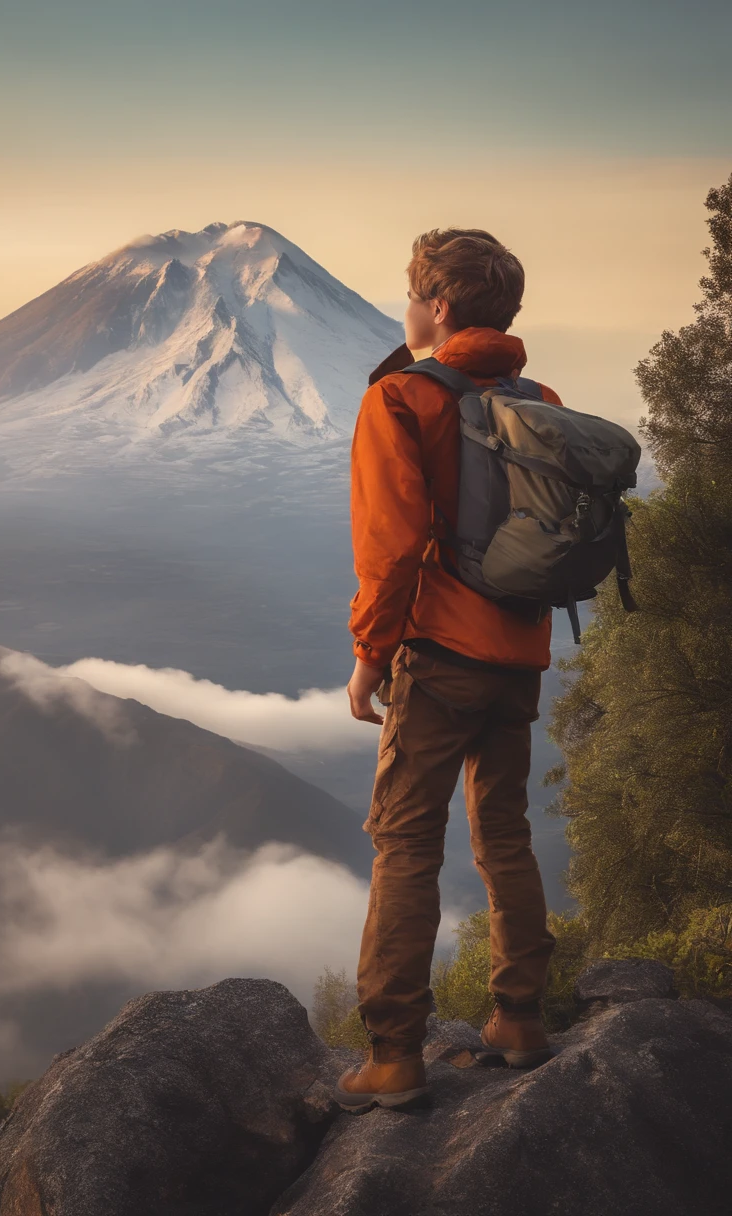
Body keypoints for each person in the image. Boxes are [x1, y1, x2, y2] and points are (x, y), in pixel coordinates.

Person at [334, 228, 560, 1113]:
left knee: (404, 844)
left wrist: (368, 658)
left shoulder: (402, 397)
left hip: (440, 657)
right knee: (503, 832)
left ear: (436, 306)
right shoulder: (537, 396)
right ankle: (521, 1019)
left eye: (411, 292)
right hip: (521, 657)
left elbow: (389, 549)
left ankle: (393, 1055)